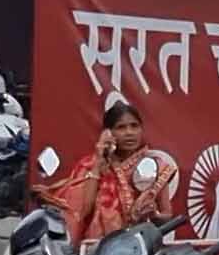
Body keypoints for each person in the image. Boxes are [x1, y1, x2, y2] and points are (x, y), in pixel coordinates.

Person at [43, 101, 179, 246]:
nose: (129, 133)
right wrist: (98, 164)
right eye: (121, 127)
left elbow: (167, 215)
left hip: (140, 246)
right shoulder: (90, 165)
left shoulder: (155, 166)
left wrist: (154, 215)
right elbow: (83, 210)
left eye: (134, 126)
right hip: (98, 249)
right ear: (108, 133)